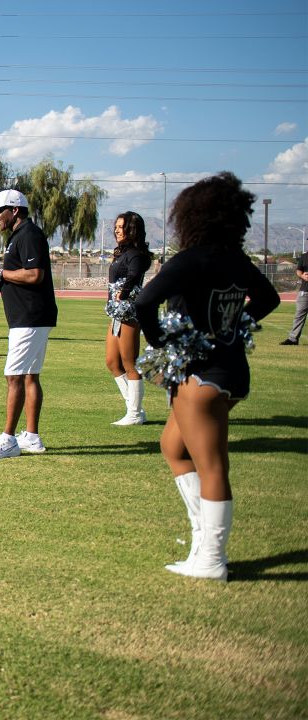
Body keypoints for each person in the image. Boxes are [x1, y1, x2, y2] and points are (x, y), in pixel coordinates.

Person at [133, 172, 280, 582]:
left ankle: (212, 559)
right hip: (232, 371)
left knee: (212, 464)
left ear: (193, 216)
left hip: (201, 377)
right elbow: (267, 299)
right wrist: (234, 325)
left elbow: (145, 301)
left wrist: (160, 338)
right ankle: (202, 542)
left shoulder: (190, 260)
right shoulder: (237, 261)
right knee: (173, 446)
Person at [0, 189, 57, 460]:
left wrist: (0, 273)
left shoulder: (29, 235)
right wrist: (1, 284)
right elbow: (22, 277)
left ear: (15, 210)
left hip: (29, 318)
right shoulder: (19, 236)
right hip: (31, 316)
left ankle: (8, 439)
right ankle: (31, 437)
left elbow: (35, 274)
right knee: (29, 375)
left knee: (13, 376)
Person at [105, 212, 154, 425]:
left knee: (129, 362)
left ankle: (134, 413)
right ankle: (133, 408)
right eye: (115, 226)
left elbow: (134, 275)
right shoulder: (121, 253)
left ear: (132, 229)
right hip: (116, 313)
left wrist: (123, 293)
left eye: (121, 226)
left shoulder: (137, 254)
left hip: (129, 313)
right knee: (112, 362)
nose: (116, 230)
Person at [281, 250, 308, 346]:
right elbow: (298, 271)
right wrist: (302, 276)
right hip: (304, 291)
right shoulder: (304, 256)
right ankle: (293, 339)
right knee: (299, 316)